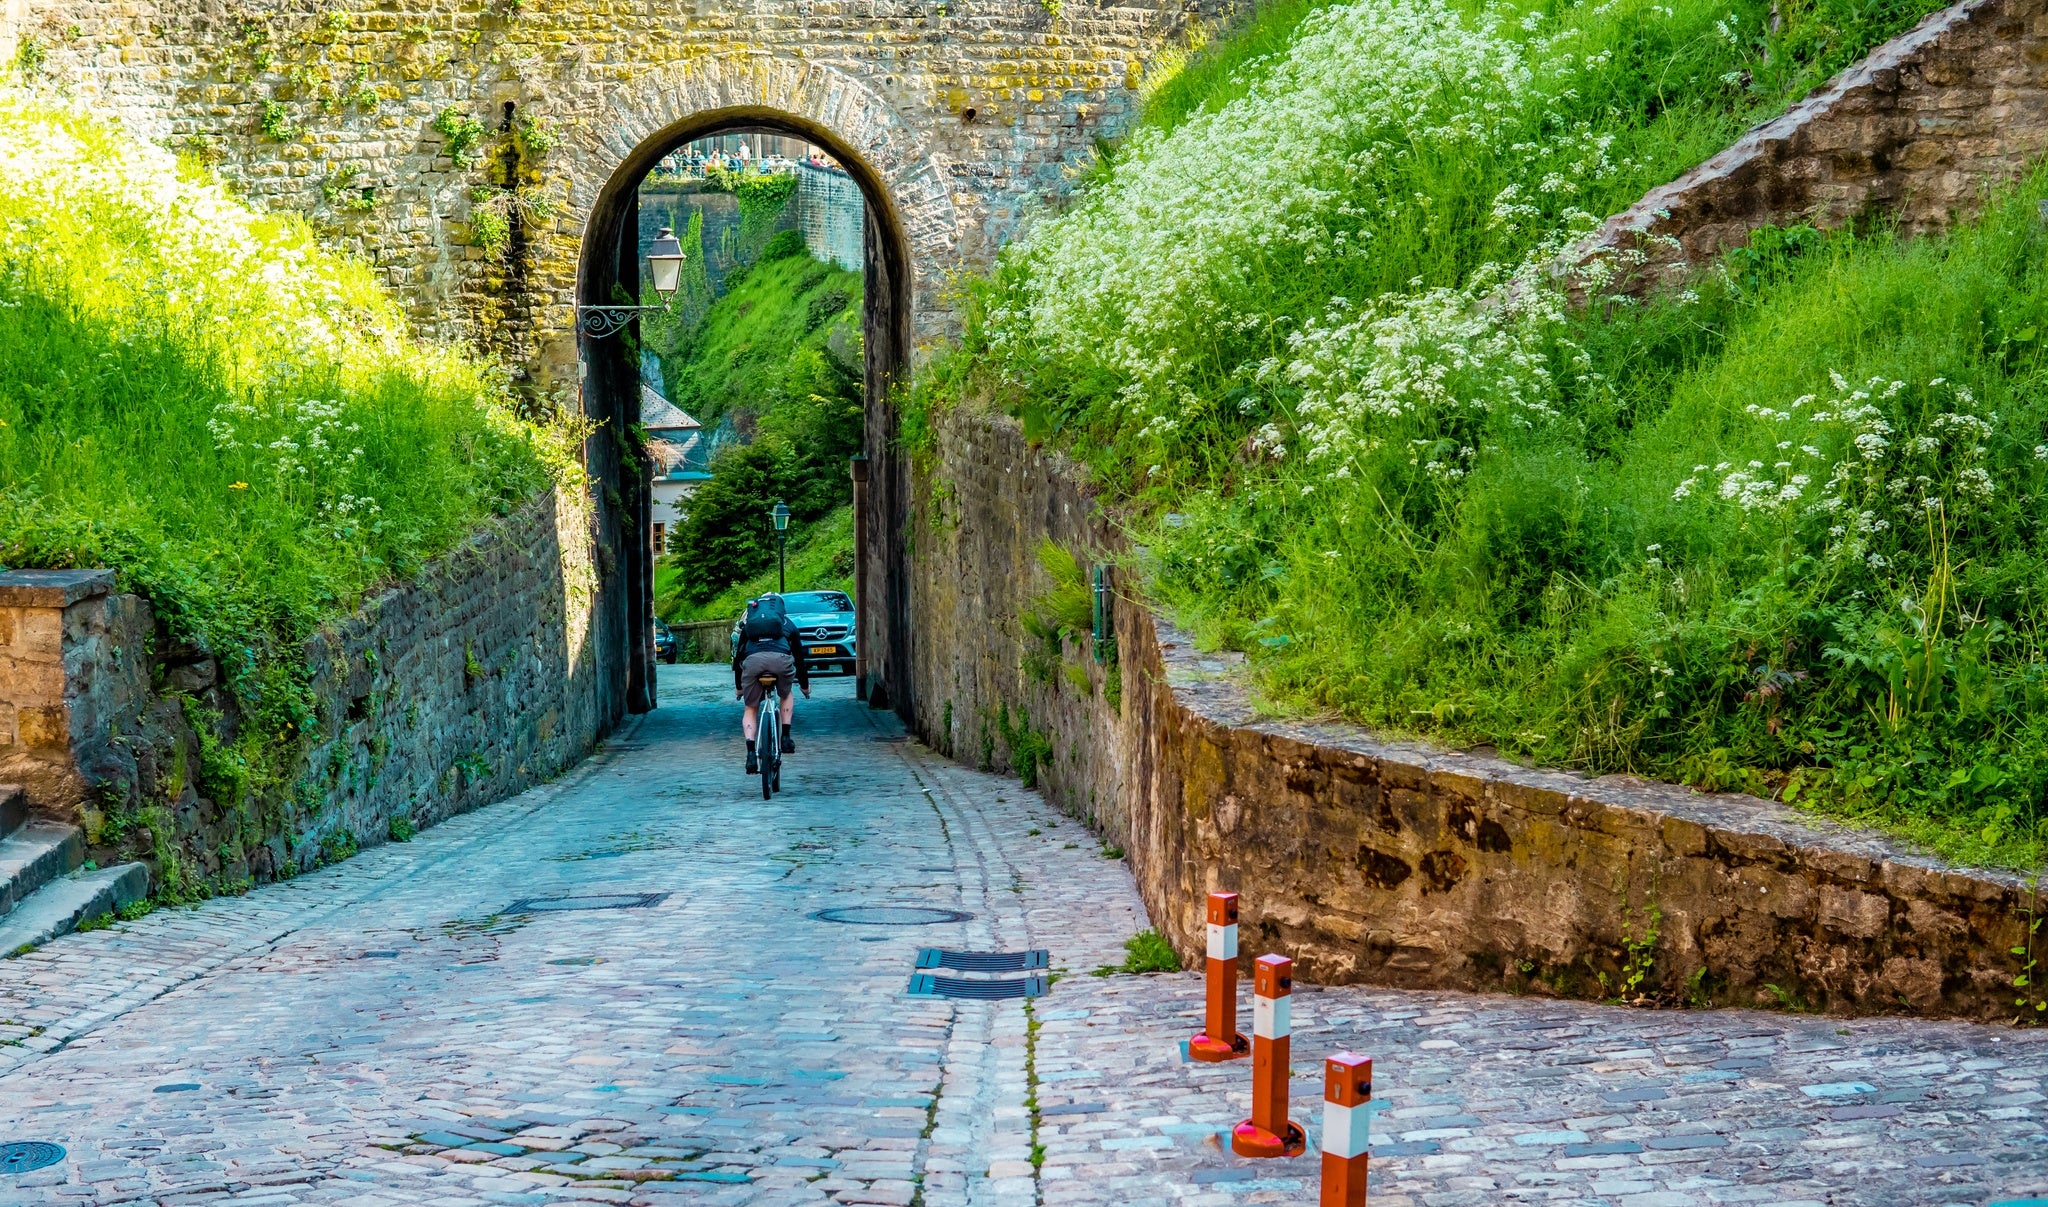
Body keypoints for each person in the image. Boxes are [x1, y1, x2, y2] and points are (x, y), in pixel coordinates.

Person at [733, 593, 809, 773]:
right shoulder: (788, 624)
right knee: (786, 693)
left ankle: (751, 754)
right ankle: (785, 737)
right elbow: (799, 658)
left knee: (750, 708)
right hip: (780, 662)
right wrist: (805, 686)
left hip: (753, 663)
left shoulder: (749, 626)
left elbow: (739, 658)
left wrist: (739, 688)